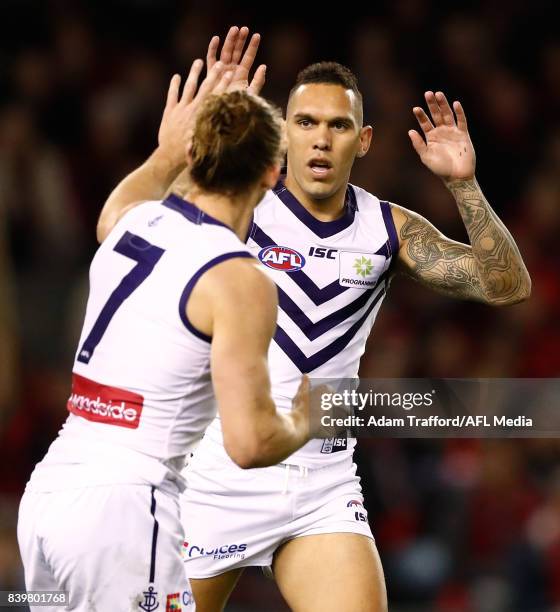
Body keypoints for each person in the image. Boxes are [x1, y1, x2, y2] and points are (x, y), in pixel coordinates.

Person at [97, 26, 531, 612]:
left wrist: (464, 186)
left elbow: (507, 287)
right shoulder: (237, 208)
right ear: (281, 134)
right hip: (215, 478)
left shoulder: (389, 231)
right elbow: (132, 229)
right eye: (305, 123)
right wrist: (193, 143)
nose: (320, 140)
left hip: (321, 485)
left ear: (365, 139)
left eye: (338, 125)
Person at [17, 45, 311, 611]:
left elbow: (124, 200)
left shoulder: (131, 222)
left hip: (51, 492)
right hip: (125, 511)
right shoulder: (237, 277)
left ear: (194, 154)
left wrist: (165, 150)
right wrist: (305, 416)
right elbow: (249, 443)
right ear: (274, 173)